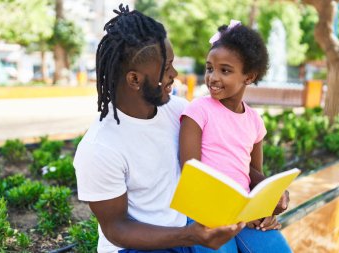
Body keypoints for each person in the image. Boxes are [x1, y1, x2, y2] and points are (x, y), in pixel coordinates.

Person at [73, 5, 245, 253]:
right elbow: (117, 229)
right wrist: (189, 236)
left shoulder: (179, 111)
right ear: (135, 79)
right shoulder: (99, 147)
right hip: (136, 247)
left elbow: (223, 157)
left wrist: (260, 203)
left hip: (185, 230)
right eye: (166, 69)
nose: (175, 74)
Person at [179, 20, 292, 253]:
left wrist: (271, 201)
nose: (213, 77)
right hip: (205, 212)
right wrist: (233, 215)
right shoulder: (198, 111)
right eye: (210, 68)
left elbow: (254, 174)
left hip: (243, 213)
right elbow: (192, 175)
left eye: (225, 70)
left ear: (249, 76)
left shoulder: (254, 121)